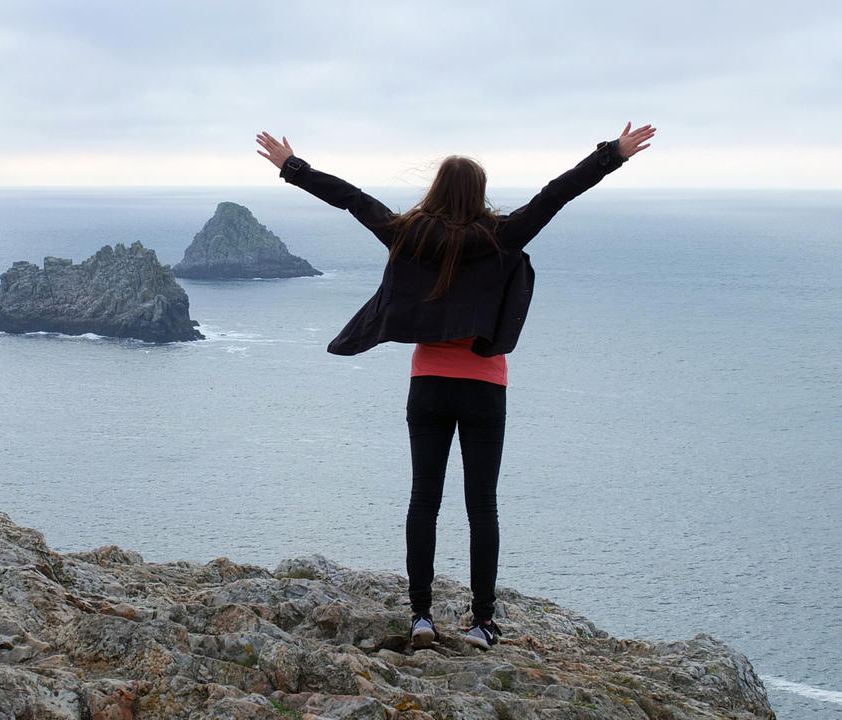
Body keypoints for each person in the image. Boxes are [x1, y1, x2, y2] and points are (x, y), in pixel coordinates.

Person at [256, 124, 655, 650]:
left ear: (437, 189)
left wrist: (292, 167)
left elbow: (353, 200)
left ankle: (421, 617)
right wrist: (612, 155)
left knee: (424, 500)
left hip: (429, 385)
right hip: (485, 388)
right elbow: (556, 194)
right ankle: (482, 623)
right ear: (479, 194)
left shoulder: (409, 233)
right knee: (481, 506)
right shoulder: (501, 236)